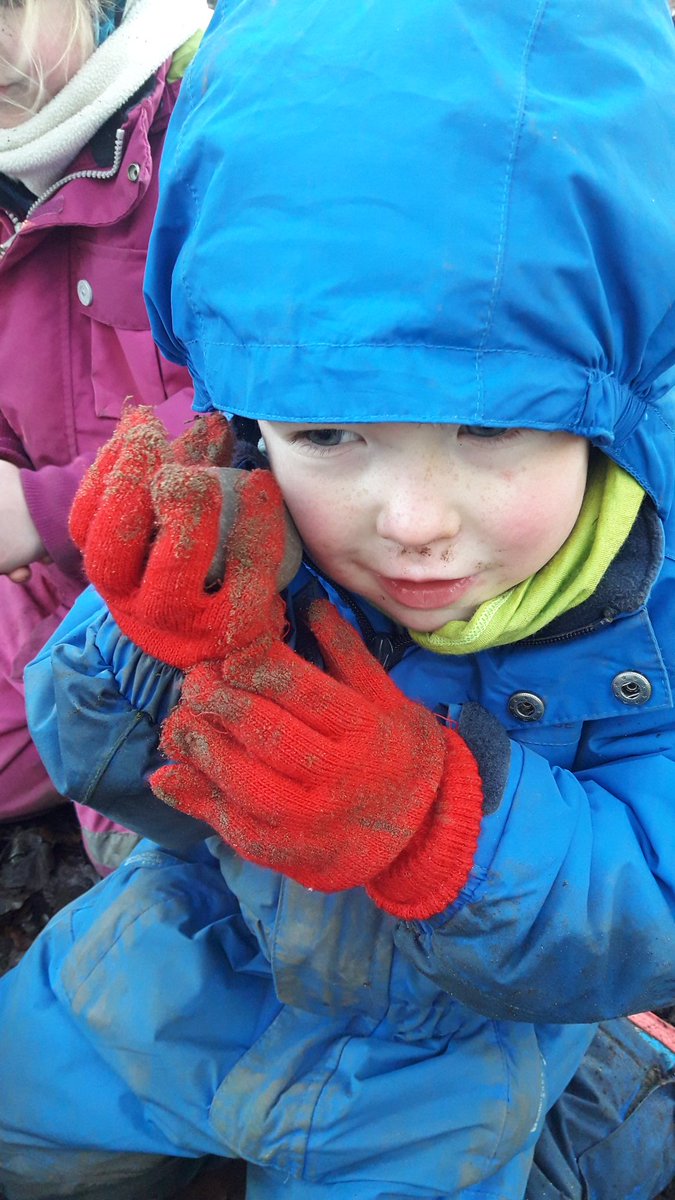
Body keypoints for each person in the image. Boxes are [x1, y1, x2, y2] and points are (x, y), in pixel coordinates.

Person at [2, 0, 675, 1197]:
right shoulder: (246, 519)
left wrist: (442, 828)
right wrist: (147, 644)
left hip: (451, 1066)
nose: (411, 520)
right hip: (186, 954)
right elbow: (114, 784)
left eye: (491, 427)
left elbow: (650, 903)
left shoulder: (649, 615)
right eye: (328, 430)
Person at [0, 0, 209, 872]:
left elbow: (297, 411)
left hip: (232, 587)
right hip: (65, 584)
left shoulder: (213, 126)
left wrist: (45, 505)